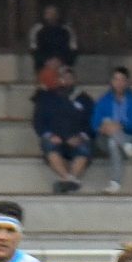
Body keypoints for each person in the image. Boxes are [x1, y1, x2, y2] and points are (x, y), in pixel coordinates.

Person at [33, 63, 91, 193]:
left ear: (75, 79)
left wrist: (80, 136)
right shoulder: (46, 98)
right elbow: (38, 122)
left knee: (84, 148)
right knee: (49, 146)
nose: (66, 80)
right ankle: (69, 179)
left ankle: (67, 182)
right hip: (54, 138)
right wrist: (50, 135)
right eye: (63, 77)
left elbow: (90, 123)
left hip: (76, 138)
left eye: (70, 77)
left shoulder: (84, 99)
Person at [89, 66, 132, 195]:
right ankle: (127, 147)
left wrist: (120, 126)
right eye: (116, 79)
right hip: (105, 138)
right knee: (112, 136)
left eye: (122, 80)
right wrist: (104, 128)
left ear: (127, 82)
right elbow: (94, 123)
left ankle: (115, 183)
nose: (119, 83)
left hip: (128, 137)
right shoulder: (103, 100)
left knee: (114, 142)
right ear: (112, 82)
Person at [29, 3, 77, 75]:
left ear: (58, 15)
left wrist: (61, 61)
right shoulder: (37, 29)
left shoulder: (67, 29)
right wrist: (46, 61)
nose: (51, 15)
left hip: (63, 68)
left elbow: (73, 49)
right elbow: (33, 49)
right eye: (48, 13)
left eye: (53, 13)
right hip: (43, 67)